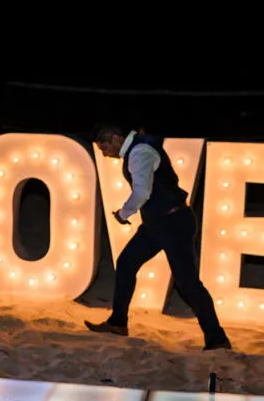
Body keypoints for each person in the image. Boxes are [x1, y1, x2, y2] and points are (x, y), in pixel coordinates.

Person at [86, 124, 231, 351]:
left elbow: (142, 192)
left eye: (104, 147)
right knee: (125, 264)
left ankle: (217, 339)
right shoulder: (138, 149)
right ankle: (117, 323)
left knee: (188, 284)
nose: (104, 153)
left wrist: (124, 213)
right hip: (156, 224)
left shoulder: (140, 152)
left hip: (173, 224)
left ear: (115, 138)